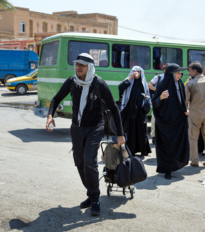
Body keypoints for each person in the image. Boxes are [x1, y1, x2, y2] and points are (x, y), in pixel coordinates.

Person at [46, 53, 125, 217]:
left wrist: (120, 133)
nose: (78, 68)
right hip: (76, 128)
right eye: (76, 64)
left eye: (82, 65)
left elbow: (114, 108)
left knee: (90, 161)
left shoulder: (99, 83)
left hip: (95, 127)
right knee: (80, 163)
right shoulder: (72, 81)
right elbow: (56, 98)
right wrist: (50, 116)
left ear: (89, 67)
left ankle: (95, 199)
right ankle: (91, 192)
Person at [152, 64, 189, 179]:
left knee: (177, 144)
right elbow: (155, 103)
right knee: (167, 146)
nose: (180, 74)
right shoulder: (164, 85)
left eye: (180, 73)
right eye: (177, 72)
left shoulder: (180, 84)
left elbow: (181, 101)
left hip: (178, 121)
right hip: (165, 123)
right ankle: (167, 169)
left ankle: (175, 165)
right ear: (171, 74)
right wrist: (161, 98)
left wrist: (185, 110)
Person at [119, 66, 151, 156]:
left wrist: (145, 97)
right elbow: (120, 88)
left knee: (141, 130)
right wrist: (130, 77)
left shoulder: (143, 83)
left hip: (140, 110)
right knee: (130, 129)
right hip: (130, 109)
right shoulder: (129, 81)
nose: (137, 73)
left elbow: (148, 96)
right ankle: (131, 150)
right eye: (135, 71)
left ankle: (143, 150)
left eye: (138, 72)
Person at [148, 64, 168, 144]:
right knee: (154, 119)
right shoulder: (159, 77)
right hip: (158, 101)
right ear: (164, 70)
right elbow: (150, 85)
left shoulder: (172, 78)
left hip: (167, 102)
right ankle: (154, 137)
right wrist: (157, 90)